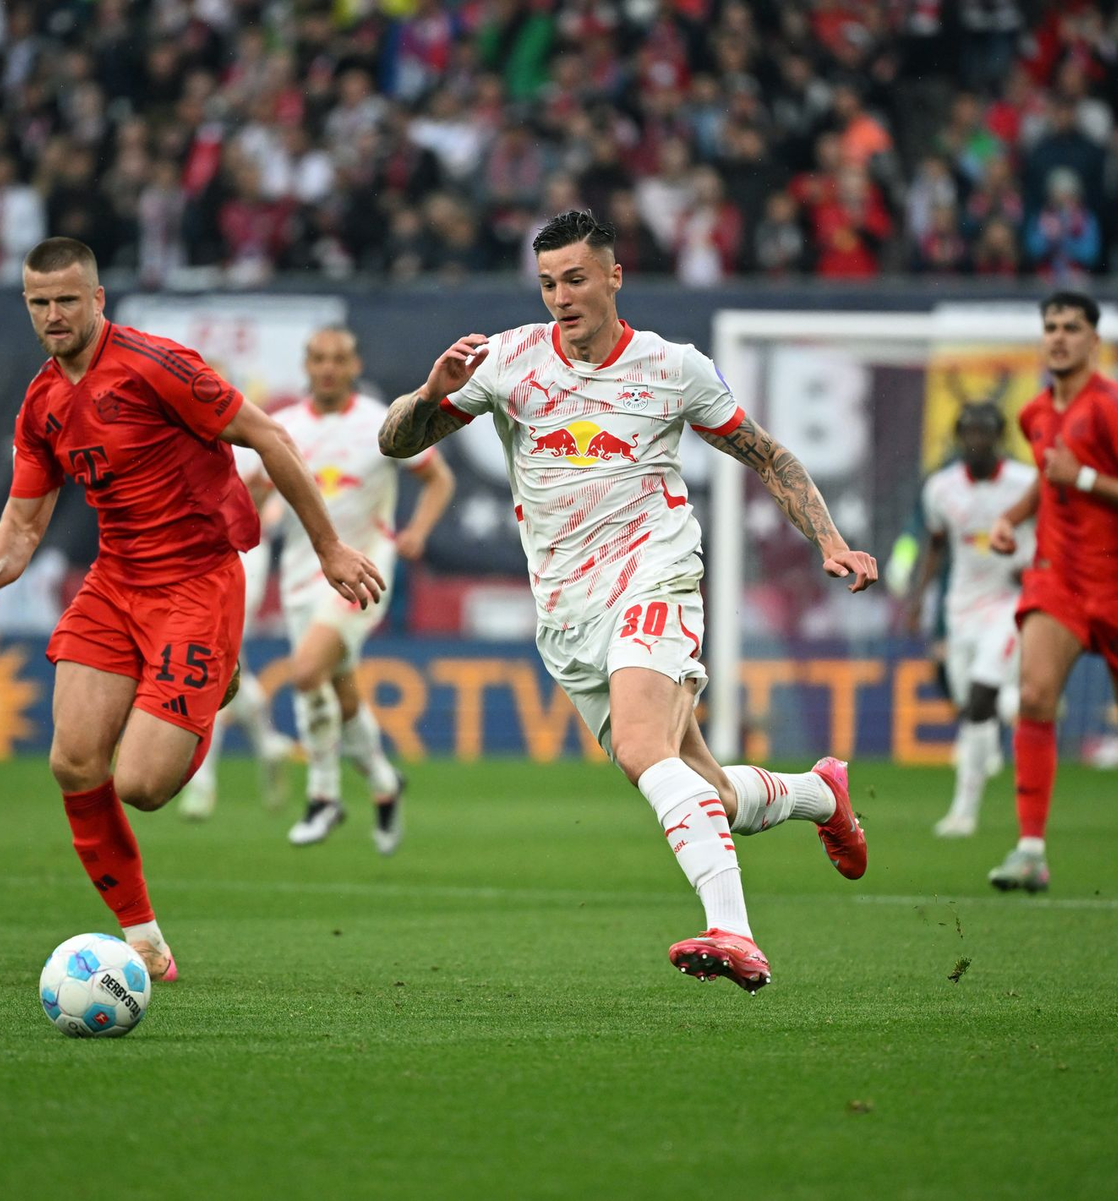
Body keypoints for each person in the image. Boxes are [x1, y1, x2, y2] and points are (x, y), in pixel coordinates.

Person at [378, 210, 877, 994]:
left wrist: (830, 541)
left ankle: (735, 933)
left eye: (575, 278)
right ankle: (820, 793)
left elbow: (769, 456)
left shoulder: (673, 367)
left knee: (646, 748)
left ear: (614, 275)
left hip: (656, 573)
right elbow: (396, 444)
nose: (560, 297)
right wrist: (429, 393)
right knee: (698, 788)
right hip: (569, 616)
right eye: (547, 282)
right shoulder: (507, 360)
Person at [0, 237, 384, 980]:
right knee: (73, 761)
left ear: (98, 299)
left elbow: (270, 436)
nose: (53, 314)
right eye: (39, 302)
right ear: (27, 305)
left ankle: (217, 680)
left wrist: (328, 549)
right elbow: (23, 521)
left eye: (67, 299)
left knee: (144, 787)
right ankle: (144, 936)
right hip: (115, 581)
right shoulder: (41, 403)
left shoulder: (158, 365)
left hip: (196, 583)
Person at [259, 327, 454, 854]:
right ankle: (385, 785)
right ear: (307, 365)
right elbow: (253, 489)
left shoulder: (378, 422)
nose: (327, 368)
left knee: (305, 675)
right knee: (339, 692)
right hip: (302, 576)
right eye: (318, 359)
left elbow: (438, 479)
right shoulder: (284, 427)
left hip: (363, 572)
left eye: (337, 359)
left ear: (353, 364)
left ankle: (324, 796)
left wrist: (416, 531)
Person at [988, 291, 1118, 892]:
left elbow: (1073, 477)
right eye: (1050, 327)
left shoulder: (1111, 407)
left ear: (1095, 340)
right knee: (1035, 696)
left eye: (1071, 327)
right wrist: (1011, 518)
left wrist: (1086, 477)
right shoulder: (1034, 413)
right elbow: (1048, 482)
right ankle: (1031, 850)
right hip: (1060, 578)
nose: (1059, 337)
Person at [906, 402, 1036, 837]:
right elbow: (937, 544)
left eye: (984, 432)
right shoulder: (941, 488)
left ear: (999, 437)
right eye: (969, 432)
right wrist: (917, 599)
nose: (976, 440)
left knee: (980, 697)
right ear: (959, 436)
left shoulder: (1024, 483)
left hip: (1009, 601)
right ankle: (1015, 705)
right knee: (971, 704)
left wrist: (1036, 565)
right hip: (961, 607)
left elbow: (1053, 529)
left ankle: (964, 811)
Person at [178, 453, 295, 822]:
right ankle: (268, 742)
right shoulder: (186, 436)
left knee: (211, 661)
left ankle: (202, 784)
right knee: (220, 662)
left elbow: (265, 495)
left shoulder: (246, 438)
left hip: (242, 556)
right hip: (197, 558)